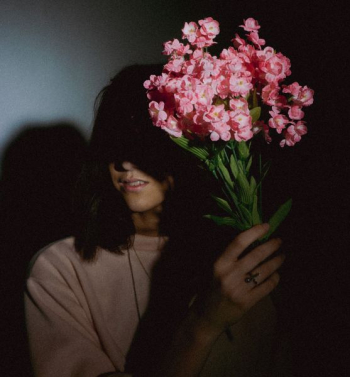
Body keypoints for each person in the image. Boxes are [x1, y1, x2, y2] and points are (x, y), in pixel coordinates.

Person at [24, 65, 285, 377]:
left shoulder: (238, 256)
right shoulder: (59, 269)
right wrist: (202, 325)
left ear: (191, 145)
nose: (123, 161)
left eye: (142, 142)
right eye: (113, 143)